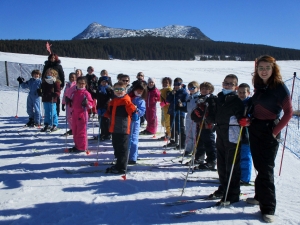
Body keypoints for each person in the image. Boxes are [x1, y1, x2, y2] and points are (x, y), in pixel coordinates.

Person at [243, 55, 293, 223]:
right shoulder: (259, 86)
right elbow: (256, 108)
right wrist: (249, 119)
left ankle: (268, 208)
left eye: (267, 68)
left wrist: (275, 131)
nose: (264, 71)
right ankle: (259, 196)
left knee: (266, 169)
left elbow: (289, 112)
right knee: (259, 166)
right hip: (255, 128)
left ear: (273, 69)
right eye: (261, 68)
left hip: (270, 129)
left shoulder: (279, 87)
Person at [206, 74, 244, 205]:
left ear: (236, 87)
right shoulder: (219, 99)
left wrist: (244, 119)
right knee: (221, 163)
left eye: (230, 84)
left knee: (231, 164)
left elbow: (242, 116)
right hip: (221, 132)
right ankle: (224, 188)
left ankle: (233, 193)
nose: (227, 85)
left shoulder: (237, 100)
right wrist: (206, 115)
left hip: (232, 133)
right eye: (225, 83)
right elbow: (213, 116)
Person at [104, 82, 137, 174]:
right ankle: (118, 163)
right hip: (114, 127)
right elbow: (109, 112)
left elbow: (132, 109)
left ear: (125, 90)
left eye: (121, 90)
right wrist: (104, 113)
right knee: (116, 146)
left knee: (122, 148)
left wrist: (134, 114)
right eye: (116, 90)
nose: (119, 92)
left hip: (123, 128)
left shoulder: (126, 101)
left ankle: (122, 167)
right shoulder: (113, 101)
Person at [191, 82, 217, 170]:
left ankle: (211, 161)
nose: (204, 90)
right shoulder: (199, 98)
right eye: (202, 89)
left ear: (210, 90)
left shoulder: (211, 99)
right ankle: (199, 158)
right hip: (200, 124)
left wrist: (206, 116)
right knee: (199, 141)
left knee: (209, 143)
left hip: (208, 125)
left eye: (206, 89)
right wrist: (195, 115)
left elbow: (213, 111)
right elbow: (196, 110)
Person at [67, 76, 93, 153]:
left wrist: (87, 103)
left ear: (85, 84)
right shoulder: (74, 93)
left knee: (81, 131)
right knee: (75, 130)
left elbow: (91, 104)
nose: (81, 85)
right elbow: (72, 104)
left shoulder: (86, 93)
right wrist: (69, 102)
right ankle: (77, 145)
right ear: (76, 83)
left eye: (83, 83)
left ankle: (82, 147)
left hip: (82, 115)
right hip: (75, 114)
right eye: (79, 83)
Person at [165, 77, 188, 149]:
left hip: (180, 113)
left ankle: (182, 143)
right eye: (175, 84)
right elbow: (168, 100)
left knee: (180, 128)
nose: (176, 86)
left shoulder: (184, 92)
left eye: (178, 84)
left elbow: (186, 102)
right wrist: (171, 94)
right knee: (173, 127)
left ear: (181, 84)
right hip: (173, 112)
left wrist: (182, 104)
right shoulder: (173, 92)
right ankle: (173, 141)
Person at [128, 82, 147, 164]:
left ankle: (132, 158)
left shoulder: (141, 100)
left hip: (135, 121)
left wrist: (136, 110)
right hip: (128, 120)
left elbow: (142, 112)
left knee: (133, 139)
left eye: (141, 91)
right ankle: (129, 155)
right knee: (128, 138)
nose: (138, 92)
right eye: (137, 90)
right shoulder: (130, 97)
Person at [237, 83, 252, 184]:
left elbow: (253, 113)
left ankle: (245, 178)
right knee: (237, 156)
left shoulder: (250, 103)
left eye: (244, 92)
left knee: (245, 156)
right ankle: (237, 175)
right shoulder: (236, 102)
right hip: (236, 133)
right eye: (240, 92)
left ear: (248, 93)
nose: (242, 94)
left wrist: (248, 119)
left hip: (246, 134)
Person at [184, 81, 201, 155]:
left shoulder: (198, 98)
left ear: (197, 88)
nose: (191, 90)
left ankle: (196, 150)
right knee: (188, 134)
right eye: (189, 88)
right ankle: (188, 149)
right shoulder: (189, 97)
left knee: (195, 135)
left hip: (195, 119)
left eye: (193, 88)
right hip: (188, 118)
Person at [96, 76, 114, 141]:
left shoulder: (109, 89)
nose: (104, 83)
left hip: (106, 107)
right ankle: (102, 133)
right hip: (99, 106)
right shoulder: (99, 89)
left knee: (106, 121)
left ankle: (107, 134)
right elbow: (96, 97)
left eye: (105, 82)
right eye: (102, 82)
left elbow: (113, 97)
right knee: (101, 121)